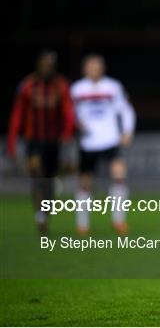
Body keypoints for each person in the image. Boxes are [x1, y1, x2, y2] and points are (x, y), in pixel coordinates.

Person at [6, 50, 75, 234]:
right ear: (38, 65)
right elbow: (17, 115)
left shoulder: (61, 85)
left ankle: (45, 212)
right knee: (37, 175)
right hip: (33, 140)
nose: (47, 68)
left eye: (50, 65)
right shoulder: (27, 86)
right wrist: (11, 143)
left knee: (49, 181)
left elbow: (68, 111)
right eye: (44, 64)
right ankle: (40, 216)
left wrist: (67, 134)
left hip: (53, 141)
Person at [70, 54, 136, 236]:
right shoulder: (77, 89)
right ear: (84, 68)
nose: (94, 69)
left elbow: (126, 109)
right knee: (85, 183)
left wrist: (128, 131)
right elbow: (69, 114)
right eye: (91, 66)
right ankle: (82, 224)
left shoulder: (113, 87)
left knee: (119, 176)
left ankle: (119, 221)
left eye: (98, 65)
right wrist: (75, 124)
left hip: (110, 140)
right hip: (88, 142)